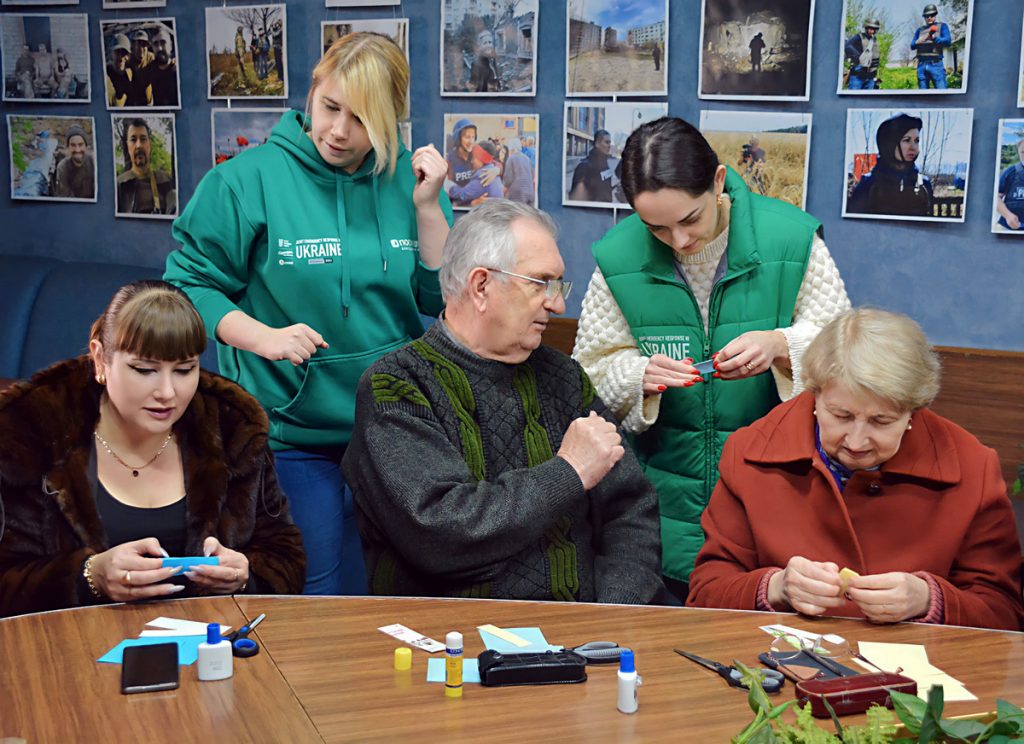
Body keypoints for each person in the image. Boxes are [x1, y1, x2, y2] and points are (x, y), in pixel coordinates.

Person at [165, 33, 453, 596]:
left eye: (363, 118)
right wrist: (262, 337)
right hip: (291, 430)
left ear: (392, 118)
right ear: (312, 92)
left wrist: (427, 211)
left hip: (393, 429)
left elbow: (437, 300)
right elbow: (187, 287)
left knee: (400, 590)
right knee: (317, 592)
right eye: (330, 108)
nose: (340, 131)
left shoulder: (412, 183)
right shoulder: (244, 182)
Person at [573, 117, 850, 603]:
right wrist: (637, 375)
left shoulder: (792, 241)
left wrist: (781, 344)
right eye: (655, 227)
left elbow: (845, 353)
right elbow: (589, 371)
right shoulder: (617, 259)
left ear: (719, 182)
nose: (679, 242)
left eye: (690, 219)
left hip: (777, 502)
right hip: (656, 507)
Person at [343, 199, 663, 603]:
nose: (558, 304)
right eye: (540, 283)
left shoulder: (564, 377)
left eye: (559, 284)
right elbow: (442, 535)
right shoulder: (397, 386)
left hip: (581, 640)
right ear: (481, 287)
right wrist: (570, 470)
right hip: (451, 648)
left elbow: (630, 511)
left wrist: (616, 612)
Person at [687, 308, 1024, 632]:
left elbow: (1004, 613)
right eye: (841, 415)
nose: (857, 440)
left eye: (881, 421)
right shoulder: (749, 452)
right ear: (814, 394)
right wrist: (776, 587)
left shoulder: (972, 467)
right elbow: (705, 594)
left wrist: (929, 599)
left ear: (913, 412)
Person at [0, 281, 306, 618]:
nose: (167, 393)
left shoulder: (232, 428)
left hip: (207, 644)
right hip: (67, 650)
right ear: (101, 358)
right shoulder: (31, 432)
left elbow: (286, 560)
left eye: (185, 370)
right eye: (144, 370)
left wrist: (245, 574)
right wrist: (88, 576)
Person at [847, 113, 932, 217]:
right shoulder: (869, 184)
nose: (913, 147)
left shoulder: (923, 184)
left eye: (916, 141)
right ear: (890, 144)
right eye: (907, 140)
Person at [116, 118, 177, 215]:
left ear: (149, 144)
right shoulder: (119, 185)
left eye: (143, 139)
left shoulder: (166, 180)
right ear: (128, 146)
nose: (139, 145)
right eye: (133, 140)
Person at [447, 141, 504, 207]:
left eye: (474, 158)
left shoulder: (484, 175)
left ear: (483, 159)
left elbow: (462, 194)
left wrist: (448, 185)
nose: (471, 161)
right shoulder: (490, 168)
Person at [569, 129, 616, 203]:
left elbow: (603, 187)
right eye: (607, 142)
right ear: (597, 144)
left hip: (606, 211)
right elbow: (576, 201)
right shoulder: (584, 167)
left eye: (610, 143)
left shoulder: (604, 163)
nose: (609, 146)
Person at [911, 3, 951, 90]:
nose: (929, 17)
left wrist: (934, 38)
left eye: (932, 15)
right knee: (923, 97)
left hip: (936, 65)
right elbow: (912, 45)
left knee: (942, 94)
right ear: (924, 17)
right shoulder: (919, 30)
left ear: (935, 15)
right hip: (921, 65)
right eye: (927, 16)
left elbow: (948, 41)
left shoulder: (942, 26)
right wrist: (918, 41)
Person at [54, 126, 95, 199]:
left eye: (80, 144)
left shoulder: (94, 162)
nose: (77, 149)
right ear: (68, 147)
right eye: (73, 145)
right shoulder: (63, 167)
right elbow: (65, 196)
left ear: (86, 146)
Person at [845, 18, 881, 90]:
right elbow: (847, 46)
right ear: (866, 28)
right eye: (870, 29)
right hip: (857, 76)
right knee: (853, 99)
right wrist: (858, 57)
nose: (872, 31)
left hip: (870, 76)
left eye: (874, 29)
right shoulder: (859, 37)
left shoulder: (874, 40)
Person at [996, 139, 1024, 231]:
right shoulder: (1010, 172)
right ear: (1019, 152)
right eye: (1023, 152)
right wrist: (1008, 215)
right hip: (1010, 229)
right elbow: (995, 198)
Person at [148, 26, 178, 108]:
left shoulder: (179, 71)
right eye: (155, 44)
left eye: (163, 42)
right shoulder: (148, 72)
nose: (159, 48)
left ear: (171, 46)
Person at [502, 137, 534, 204]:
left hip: (517, 194)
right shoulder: (527, 158)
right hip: (529, 192)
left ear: (511, 148)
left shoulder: (511, 159)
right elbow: (532, 175)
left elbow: (508, 179)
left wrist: (502, 191)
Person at [126, 30, 153, 106]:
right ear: (134, 46)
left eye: (144, 45)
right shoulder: (128, 59)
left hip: (148, 103)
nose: (141, 49)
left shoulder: (151, 58)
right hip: (133, 102)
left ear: (147, 47)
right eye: (139, 44)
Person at [106, 33, 133, 107]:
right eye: (117, 51)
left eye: (124, 52)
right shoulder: (105, 75)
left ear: (128, 56)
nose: (120, 57)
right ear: (111, 53)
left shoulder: (131, 75)